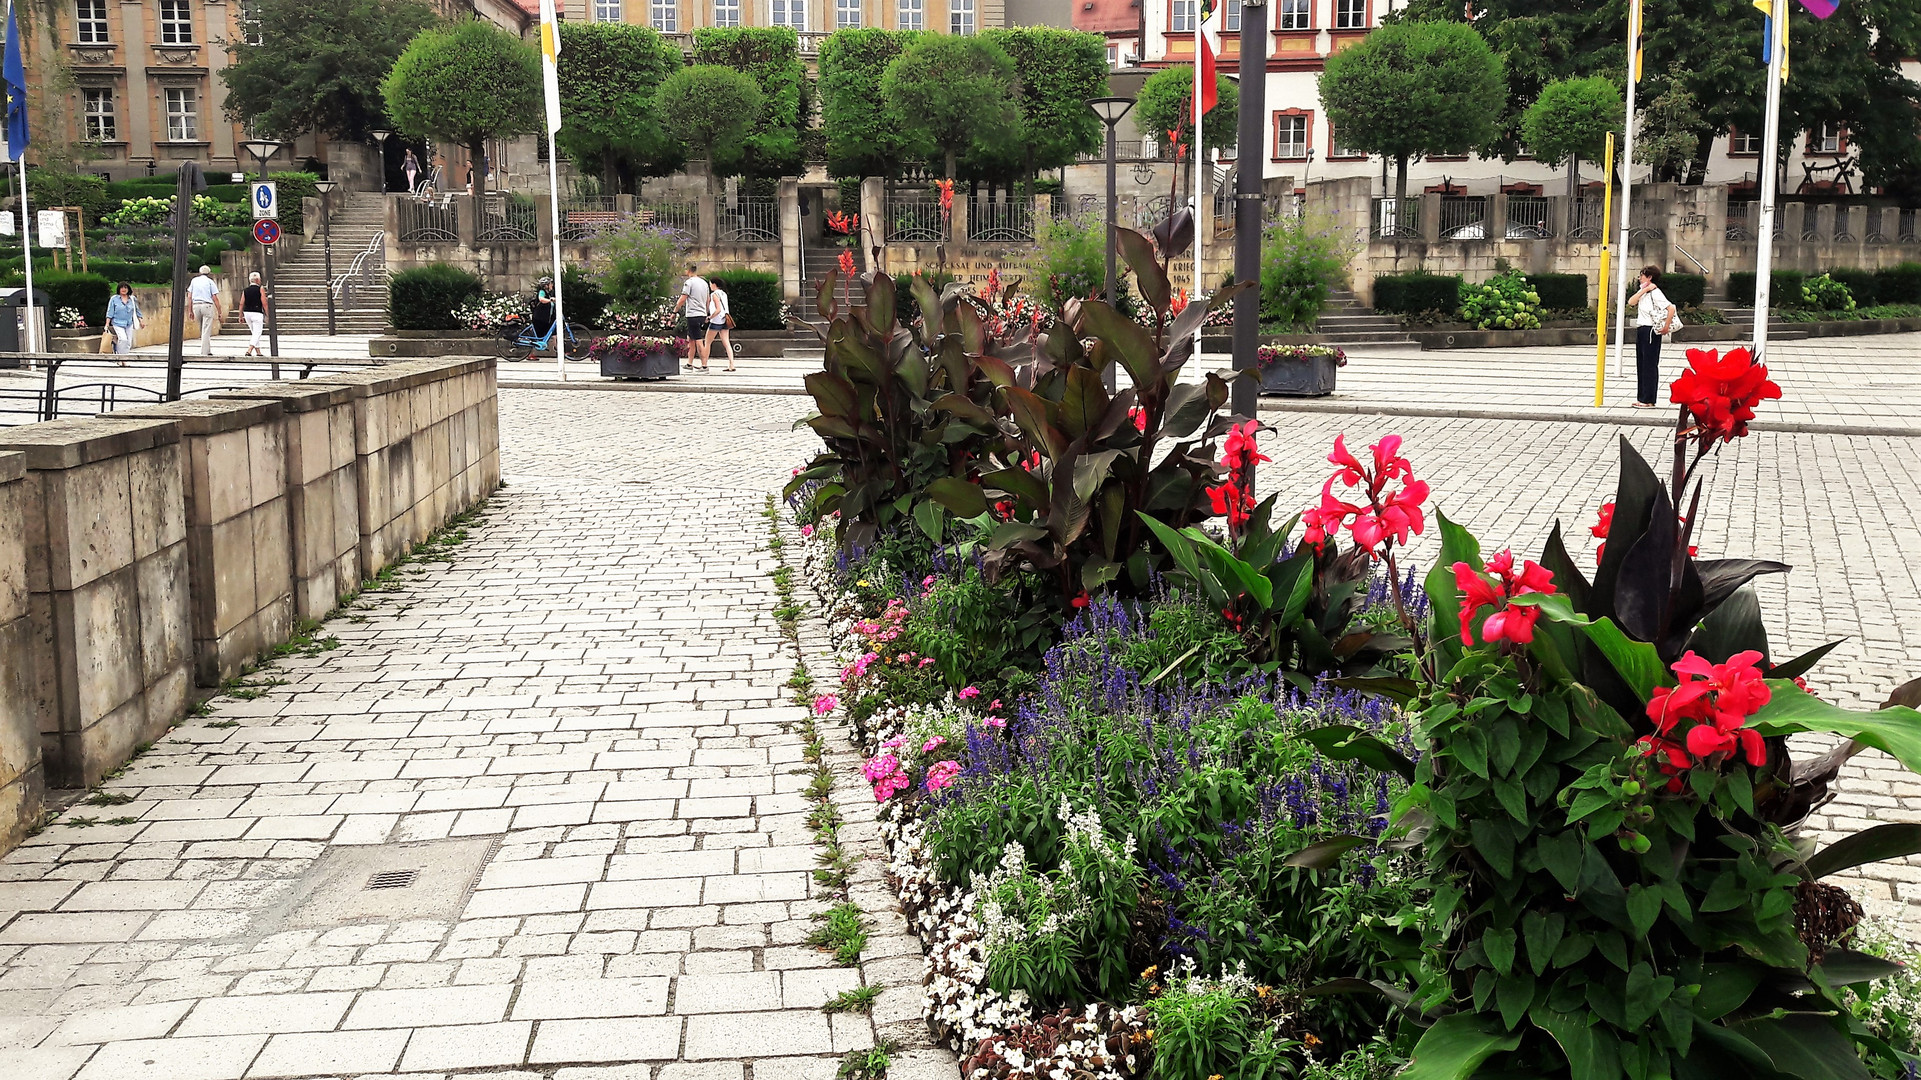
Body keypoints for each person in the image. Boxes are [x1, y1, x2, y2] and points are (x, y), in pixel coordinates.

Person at [1629, 265, 1677, 408]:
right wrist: (1644, 289)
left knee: (1649, 365)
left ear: (1649, 277)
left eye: (1642, 275)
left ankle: (1649, 399)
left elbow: (1671, 308)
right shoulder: (1645, 291)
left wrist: (1666, 327)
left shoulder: (1656, 293)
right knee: (1642, 364)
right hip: (1642, 328)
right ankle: (1642, 397)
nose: (1639, 278)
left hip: (1651, 330)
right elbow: (1631, 302)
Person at [674, 263, 711, 372]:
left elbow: (683, 298)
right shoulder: (704, 283)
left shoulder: (689, 283)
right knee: (691, 339)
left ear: (688, 270)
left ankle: (704, 365)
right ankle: (689, 363)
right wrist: (706, 312)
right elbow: (708, 300)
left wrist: (675, 310)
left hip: (693, 314)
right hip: (701, 313)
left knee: (698, 340)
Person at [188, 265, 222, 356]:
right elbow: (215, 297)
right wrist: (219, 311)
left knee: (201, 329)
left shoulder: (194, 281)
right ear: (209, 273)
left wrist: (190, 310)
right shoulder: (210, 282)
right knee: (206, 329)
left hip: (196, 305)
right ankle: (204, 351)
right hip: (206, 305)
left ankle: (207, 349)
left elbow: (189, 296)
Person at [105, 282, 142, 362]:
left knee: (128, 342)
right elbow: (110, 312)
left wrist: (141, 321)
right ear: (119, 289)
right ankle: (121, 358)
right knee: (123, 339)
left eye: (125, 287)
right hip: (117, 323)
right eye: (122, 288)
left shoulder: (132, 299)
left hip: (129, 323)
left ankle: (124, 358)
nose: (124, 289)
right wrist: (107, 324)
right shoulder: (114, 299)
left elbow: (137, 310)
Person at [705, 279, 735, 373]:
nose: (710, 286)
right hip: (725, 320)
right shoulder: (723, 294)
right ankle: (731, 364)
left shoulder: (714, 294)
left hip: (716, 321)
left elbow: (718, 310)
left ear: (714, 284)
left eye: (710, 284)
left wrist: (709, 318)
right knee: (726, 342)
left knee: (707, 342)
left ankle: (704, 364)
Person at [241, 272, 269, 356]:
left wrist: (240, 315)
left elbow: (241, 303)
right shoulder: (260, 289)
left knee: (254, 332)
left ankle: (258, 351)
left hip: (247, 312)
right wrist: (267, 313)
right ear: (257, 280)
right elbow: (264, 302)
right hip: (257, 312)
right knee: (257, 332)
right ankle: (249, 350)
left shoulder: (245, 290)